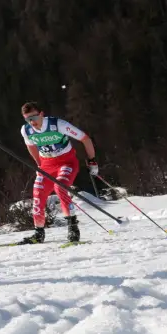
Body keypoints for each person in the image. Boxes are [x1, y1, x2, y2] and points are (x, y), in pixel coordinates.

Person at [18, 101, 98, 245]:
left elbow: (85, 138)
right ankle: (39, 233)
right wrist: (39, 165)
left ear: (41, 114)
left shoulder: (57, 125)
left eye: (34, 118)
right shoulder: (26, 130)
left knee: (60, 187)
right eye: (28, 119)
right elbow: (31, 146)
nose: (32, 122)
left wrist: (92, 160)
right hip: (47, 164)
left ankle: (73, 228)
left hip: (66, 162)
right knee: (38, 193)